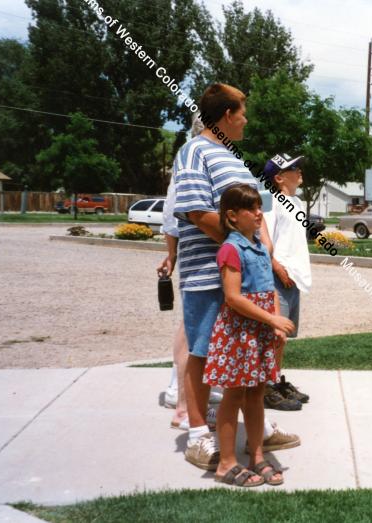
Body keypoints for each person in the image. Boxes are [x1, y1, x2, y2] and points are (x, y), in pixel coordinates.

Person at [204, 184, 295, 486]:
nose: (259, 214)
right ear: (232, 215)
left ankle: (257, 455)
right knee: (234, 394)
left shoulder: (257, 247)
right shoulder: (230, 249)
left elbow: (268, 291)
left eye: (260, 207)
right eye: (252, 209)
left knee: (256, 393)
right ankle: (225, 463)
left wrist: (274, 325)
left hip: (259, 332)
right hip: (239, 333)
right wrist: (271, 318)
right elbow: (232, 297)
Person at [158, 115, 221, 430]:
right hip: (201, 262)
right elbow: (174, 215)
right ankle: (184, 406)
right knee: (193, 333)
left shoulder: (197, 157)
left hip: (202, 259)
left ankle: (187, 398)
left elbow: (171, 218)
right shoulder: (193, 157)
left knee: (196, 332)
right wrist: (171, 254)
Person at [261, 153, 312, 411]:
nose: (300, 170)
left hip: (294, 279)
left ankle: (275, 380)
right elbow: (263, 240)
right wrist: (278, 268)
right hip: (277, 278)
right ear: (279, 177)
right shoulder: (273, 204)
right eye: (294, 168)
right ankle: (265, 388)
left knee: (283, 337)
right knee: (275, 335)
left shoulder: (298, 203)